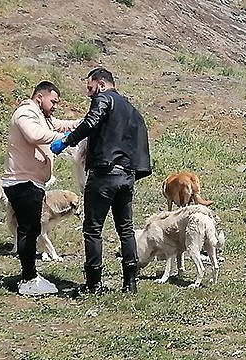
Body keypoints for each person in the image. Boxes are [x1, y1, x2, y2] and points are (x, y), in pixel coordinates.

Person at [50, 68, 151, 294]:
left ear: (102, 84)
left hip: (104, 174)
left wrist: (67, 141)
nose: (89, 94)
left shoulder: (104, 98)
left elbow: (92, 121)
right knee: (125, 229)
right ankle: (130, 283)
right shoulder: (132, 109)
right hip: (127, 176)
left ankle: (93, 284)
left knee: (93, 230)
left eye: (90, 88)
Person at [3, 81, 79, 296]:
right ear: (39, 97)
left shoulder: (41, 116)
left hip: (31, 181)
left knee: (32, 228)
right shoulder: (26, 113)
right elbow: (34, 135)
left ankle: (30, 275)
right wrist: (64, 139)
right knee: (28, 229)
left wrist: (81, 124)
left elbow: (59, 124)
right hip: (22, 181)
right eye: (53, 101)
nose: (55, 105)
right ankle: (28, 278)